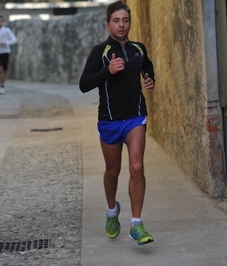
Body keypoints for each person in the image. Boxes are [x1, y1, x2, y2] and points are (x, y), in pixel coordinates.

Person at [79, 0, 155, 245]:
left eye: (125, 20)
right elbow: (84, 84)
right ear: (108, 24)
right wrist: (107, 72)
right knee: (113, 171)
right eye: (116, 20)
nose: (121, 25)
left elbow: (146, 65)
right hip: (109, 121)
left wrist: (149, 78)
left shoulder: (138, 48)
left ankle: (136, 224)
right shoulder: (99, 51)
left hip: (135, 118)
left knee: (137, 167)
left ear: (129, 22)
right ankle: (112, 212)